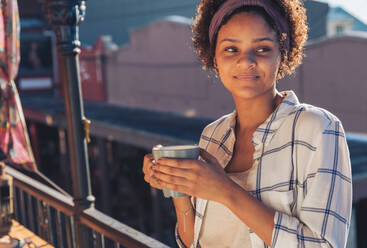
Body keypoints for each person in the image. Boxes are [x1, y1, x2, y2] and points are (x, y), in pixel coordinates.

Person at [142, 0, 352, 247]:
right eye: (231, 49)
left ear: (282, 56)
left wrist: (225, 191)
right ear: (214, 58)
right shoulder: (212, 136)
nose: (246, 61)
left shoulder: (319, 128)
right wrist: (177, 187)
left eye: (262, 49)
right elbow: (193, 241)